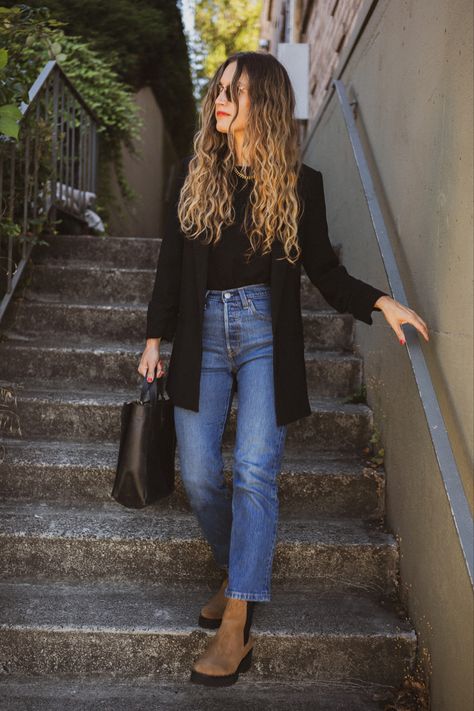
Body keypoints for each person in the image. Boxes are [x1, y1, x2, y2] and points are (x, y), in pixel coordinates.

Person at [138, 51, 429, 687]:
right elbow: (169, 265)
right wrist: (155, 337)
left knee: (253, 467)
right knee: (200, 475)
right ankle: (235, 566)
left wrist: (380, 301)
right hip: (202, 334)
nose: (220, 100)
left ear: (261, 104)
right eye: (217, 90)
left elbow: (323, 270)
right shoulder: (194, 176)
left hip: (266, 332)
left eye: (233, 92)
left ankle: (236, 621)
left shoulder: (301, 184)